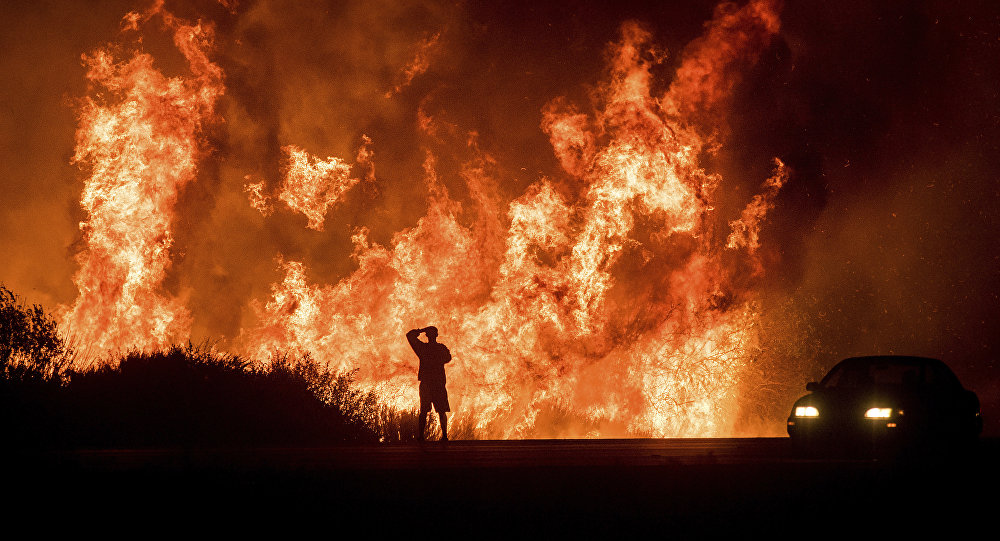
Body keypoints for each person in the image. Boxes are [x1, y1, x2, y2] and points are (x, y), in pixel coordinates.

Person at [406, 326, 452, 441]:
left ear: (427, 335)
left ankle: (421, 437)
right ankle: (444, 436)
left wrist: (422, 330)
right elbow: (448, 358)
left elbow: (410, 335)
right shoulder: (440, 348)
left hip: (429, 383)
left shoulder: (422, 348)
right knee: (440, 411)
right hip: (437, 383)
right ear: (437, 335)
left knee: (425, 411)